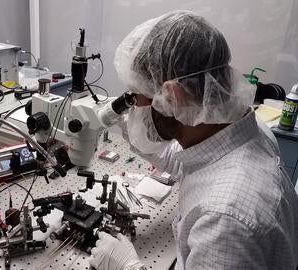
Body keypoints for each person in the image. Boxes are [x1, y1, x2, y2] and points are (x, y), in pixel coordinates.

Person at [89, 10, 298, 270]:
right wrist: (130, 127)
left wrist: (127, 266)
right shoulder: (247, 133)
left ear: (172, 97)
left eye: (137, 96)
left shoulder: (223, 220)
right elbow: (187, 163)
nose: (135, 109)